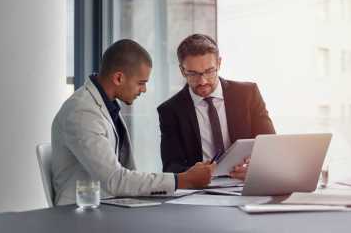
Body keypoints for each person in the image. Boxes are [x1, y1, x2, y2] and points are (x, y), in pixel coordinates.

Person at [51, 39, 215, 205]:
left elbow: (125, 174)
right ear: (119, 78)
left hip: (108, 206)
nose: (143, 90)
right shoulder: (82, 113)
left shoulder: (108, 105)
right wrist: (182, 180)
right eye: (141, 83)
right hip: (81, 215)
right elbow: (115, 180)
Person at [158, 34, 275, 180]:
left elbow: (271, 146)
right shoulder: (170, 110)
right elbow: (171, 167)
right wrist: (194, 175)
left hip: (246, 184)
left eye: (209, 71)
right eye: (193, 74)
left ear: (219, 64)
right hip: (201, 191)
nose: (202, 81)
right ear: (182, 70)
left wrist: (255, 168)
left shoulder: (248, 94)